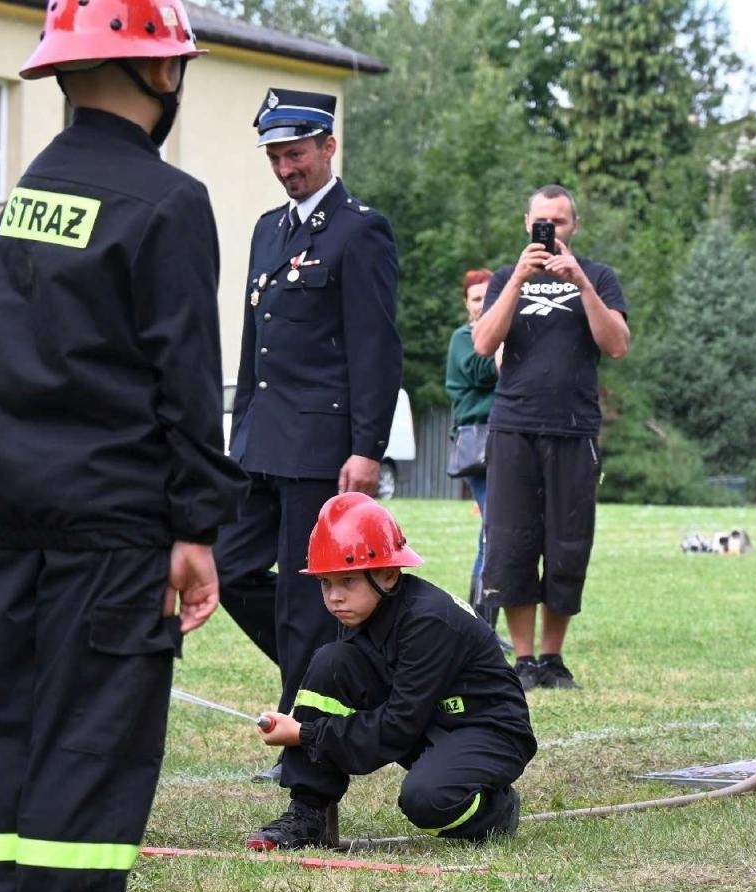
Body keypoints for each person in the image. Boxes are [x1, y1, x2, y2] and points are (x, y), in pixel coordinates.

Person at [0, 1, 244, 892]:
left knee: (7, 730)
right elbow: (180, 376)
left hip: (16, 513)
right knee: (92, 736)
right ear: (161, 74)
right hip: (115, 520)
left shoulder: (25, 199)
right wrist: (196, 524)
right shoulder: (167, 203)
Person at [214, 86, 403, 746]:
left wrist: (368, 447)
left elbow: (376, 347)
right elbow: (250, 341)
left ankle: (304, 719)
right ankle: (338, 667)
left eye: (295, 155)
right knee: (228, 570)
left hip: (320, 445)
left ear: (328, 146)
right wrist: (236, 438)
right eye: (275, 158)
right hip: (261, 442)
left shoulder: (360, 231)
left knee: (302, 599)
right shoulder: (270, 230)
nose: (286, 169)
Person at [249, 493, 535, 850]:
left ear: (388, 574)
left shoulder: (427, 622)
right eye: (326, 582)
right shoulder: (362, 608)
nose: (334, 596)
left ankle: (497, 811)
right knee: (331, 661)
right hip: (427, 716)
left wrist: (306, 733)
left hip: (488, 728)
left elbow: (396, 729)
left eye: (348, 581)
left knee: (427, 801)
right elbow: (382, 709)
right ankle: (309, 814)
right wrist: (305, 719)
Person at [472, 184, 629, 691]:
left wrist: (581, 282)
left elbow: (617, 345)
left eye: (559, 222)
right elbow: (483, 343)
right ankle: (522, 661)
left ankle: (552, 659)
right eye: (542, 221)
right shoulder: (504, 278)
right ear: (526, 223)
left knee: (567, 544)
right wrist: (519, 276)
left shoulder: (599, 277)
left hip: (573, 430)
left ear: (574, 226)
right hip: (514, 427)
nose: (550, 230)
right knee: (512, 544)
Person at [443, 268, 498, 625]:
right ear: (467, 304)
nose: (482, 304)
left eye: (489, 296)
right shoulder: (464, 337)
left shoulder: (502, 337)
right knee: (495, 532)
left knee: (494, 533)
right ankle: (481, 628)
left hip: (508, 443)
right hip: (479, 447)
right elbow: (481, 371)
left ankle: (482, 626)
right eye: (476, 298)